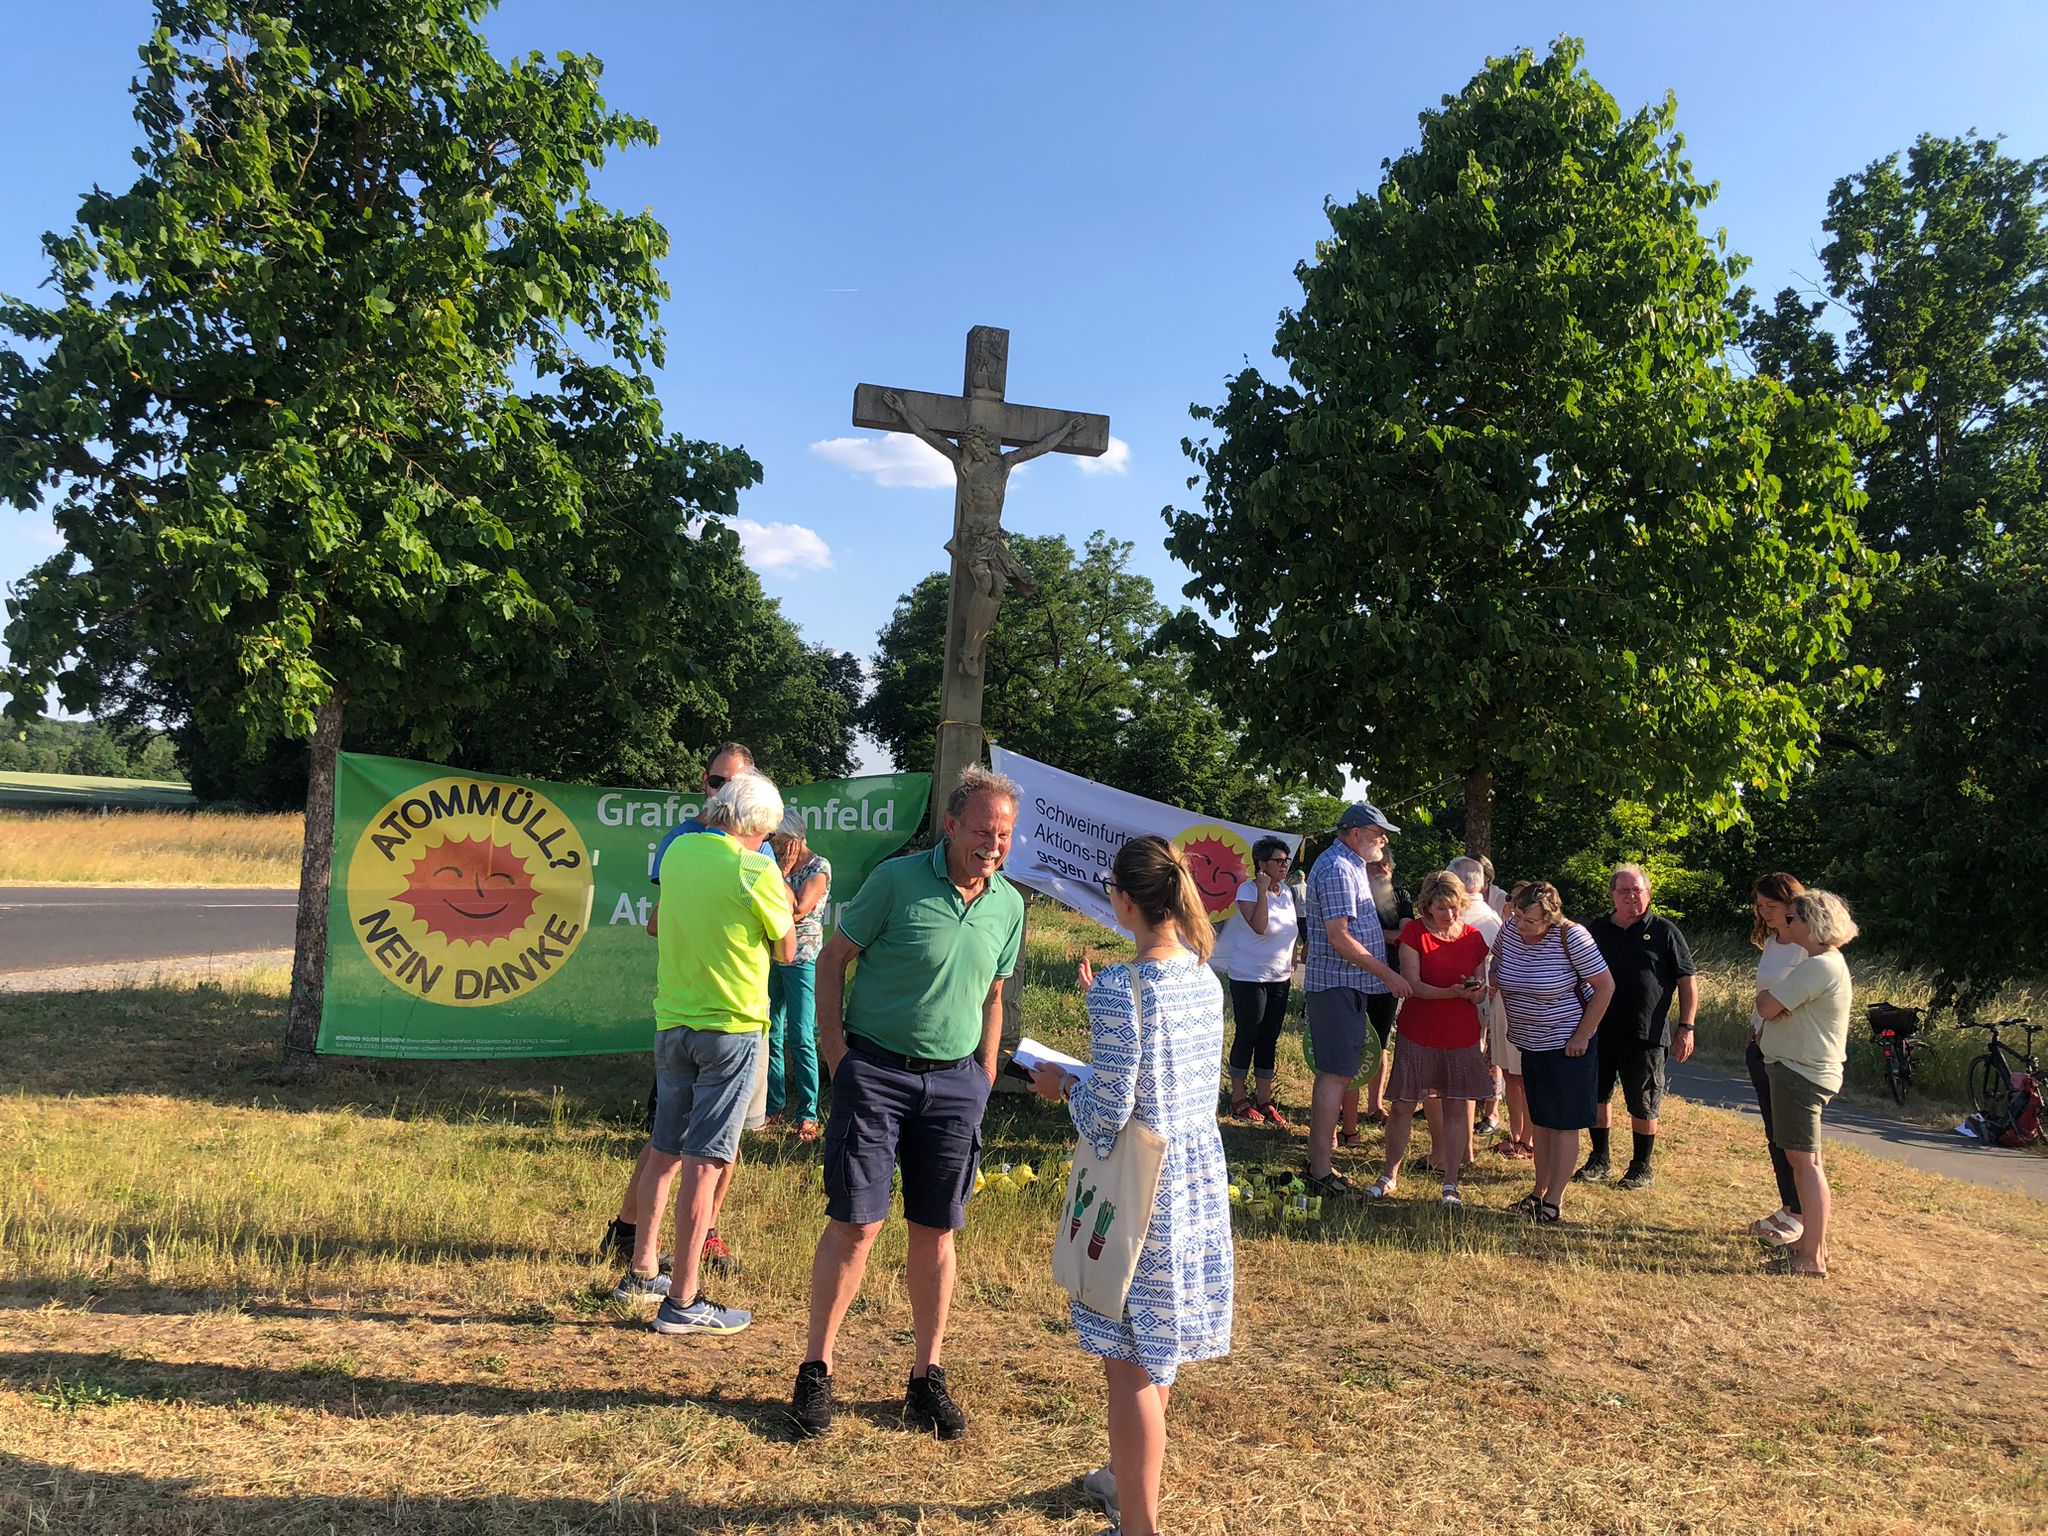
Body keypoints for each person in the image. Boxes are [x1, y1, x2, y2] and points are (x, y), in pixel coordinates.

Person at [789, 764, 1026, 1440]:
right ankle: (817, 1372)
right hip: (876, 1074)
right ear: (950, 825)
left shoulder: (1008, 905)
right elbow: (832, 959)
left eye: (1004, 833)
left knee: (936, 1231)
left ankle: (925, 1378)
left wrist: (982, 1078)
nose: (993, 843)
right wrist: (839, 1058)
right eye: (982, 829)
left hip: (955, 1086)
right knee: (857, 1224)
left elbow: (993, 998)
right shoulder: (895, 882)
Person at [1028, 836, 1233, 1536]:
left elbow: (1110, 1110)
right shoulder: (1204, 975)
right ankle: (1125, 1477)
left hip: (1139, 1186)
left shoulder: (1123, 987)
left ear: (1122, 899)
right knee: (1157, 1344)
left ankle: (1137, 1524)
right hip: (1191, 1176)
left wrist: (1063, 1086)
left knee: (1128, 1364)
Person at [615, 772, 794, 1336]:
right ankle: (685, 1300)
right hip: (732, 1025)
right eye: (763, 832)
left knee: (665, 1148)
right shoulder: (755, 868)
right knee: (708, 1159)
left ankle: (643, 1271)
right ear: (757, 827)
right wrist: (781, 889)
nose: (763, 840)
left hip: (674, 1018)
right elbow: (787, 949)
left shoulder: (680, 851)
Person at [603, 741, 756, 1288]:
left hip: (735, 1010)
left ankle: (697, 1233)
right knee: (669, 1136)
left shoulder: (757, 842)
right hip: (691, 1007)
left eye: (733, 785)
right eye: (716, 782)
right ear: (703, 781)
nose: (722, 794)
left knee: (723, 1137)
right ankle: (632, 1234)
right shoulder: (683, 839)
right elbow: (659, 921)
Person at [1302, 802, 1414, 1201]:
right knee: (1335, 1074)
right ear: (1354, 833)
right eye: (1377, 833)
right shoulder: (1337, 868)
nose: (1383, 840)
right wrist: (1389, 975)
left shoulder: (1350, 866)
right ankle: (1320, 1169)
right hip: (1337, 984)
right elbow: (1337, 935)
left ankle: (1320, 1161)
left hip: (1349, 984)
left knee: (1339, 1072)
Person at [1367, 870, 1494, 1206]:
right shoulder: (1413, 933)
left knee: (1456, 1106)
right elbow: (1413, 985)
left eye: (1453, 907)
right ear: (1427, 906)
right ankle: (1388, 1175)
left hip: (1461, 1033)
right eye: (1440, 908)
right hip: (1419, 1030)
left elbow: (1482, 992)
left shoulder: (1473, 938)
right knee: (1403, 1106)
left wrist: (1475, 992)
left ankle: (1450, 1183)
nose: (1448, 915)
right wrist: (1451, 992)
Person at [1491, 881, 1614, 1223]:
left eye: (1529, 921)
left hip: (1568, 1044)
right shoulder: (1510, 931)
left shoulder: (1572, 936)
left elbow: (1605, 987)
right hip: (1529, 1042)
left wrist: (1582, 1035)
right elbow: (1497, 964)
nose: (1520, 925)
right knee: (1541, 1121)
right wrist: (1488, 983)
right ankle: (1537, 1191)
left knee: (1563, 1124)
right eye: (1516, 916)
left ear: (1550, 916)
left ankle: (1554, 1201)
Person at [1755, 889, 1858, 1278]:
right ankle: (1811, 1245)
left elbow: (1766, 1006)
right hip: (1802, 1070)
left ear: (1813, 924)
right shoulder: (1822, 963)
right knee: (1807, 1161)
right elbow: (1775, 1009)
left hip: (1800, 1073)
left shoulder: (1818, 967)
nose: (1787, 922)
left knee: (1805, 1164)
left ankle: (1811, 1257)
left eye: (1794, 918)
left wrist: (1771, 1001)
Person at [1581, 864, 1698, 1189]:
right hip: (1599, 1029)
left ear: (1648, 894)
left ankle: (1640, 1168)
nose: (1632, 896)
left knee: (1643, 1101)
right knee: (1597, 1096)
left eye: (1638, 890)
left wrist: (1686, 1026)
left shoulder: (1664, 931)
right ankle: (1599, 1159)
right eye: (1625, 891)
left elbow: (1687, 981)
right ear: (1612, 895)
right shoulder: (1597, 930)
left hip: (1645, 1033)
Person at [1746, 873, 1810, 1247]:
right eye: (1760, 906)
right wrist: (1753, 1028)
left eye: (1771, 906)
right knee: (1774, 1134)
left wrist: (1768, 1014)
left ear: (1792, 905)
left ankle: (1801, 1214)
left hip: (1789, 1051)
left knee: (1792, 1139)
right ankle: (1789, 1206)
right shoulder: (1771, 941)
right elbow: (1763, 992)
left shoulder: (1808, 948)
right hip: (1760, 1044)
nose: (1764, 913)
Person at [1218, 836, 1300, 1127]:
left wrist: (1292, 955)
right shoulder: (1248, 890)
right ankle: (1238, 1098)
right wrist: (1263, 890)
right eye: (1278, 860)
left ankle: (1265, 1100)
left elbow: (1291, 929)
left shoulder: (1288, 892)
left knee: (1269, 1039)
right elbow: (1260, 926)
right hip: (1249, 977)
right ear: (1261, 864)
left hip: (1280, 977)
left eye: (1286, 860)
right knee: (1248, 1035)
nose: (1284, 865)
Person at [764, 810, 832, 1140]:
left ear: (794, 839)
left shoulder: (819, 868)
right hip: (775, 955)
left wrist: (784, 873)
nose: (774, 847)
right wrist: (780, 871)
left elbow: (797, 908)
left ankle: (807, 1113)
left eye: (778, 841)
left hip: (803, 960)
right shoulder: (776, 866)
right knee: (771, 1031)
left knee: (801, 1037)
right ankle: (773, 1105)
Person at [1341, 850, 1413, 1142]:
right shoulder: (1357, 893)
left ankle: (1375, 1105)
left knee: (1381, 1041)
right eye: (1375, 865)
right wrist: (1387, 934)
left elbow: (1406, 935)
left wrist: (1370, 937)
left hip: (1389, 978)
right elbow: (1344, 934)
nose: (1380, 869)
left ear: (1392, 870)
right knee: (1353, 1044)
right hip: (1355, 976)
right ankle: (1346, 1111)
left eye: (1385, 864)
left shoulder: (1402, 895)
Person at [1450, 856, 1519, 1148]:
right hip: (1485, 996)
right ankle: (1485, 1110)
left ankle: (1490, 1112)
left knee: (1490, 1058)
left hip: (1478, 996)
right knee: (1489, 1057)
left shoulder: (1471, 917)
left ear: (1461, 883)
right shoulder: (1490, 916)